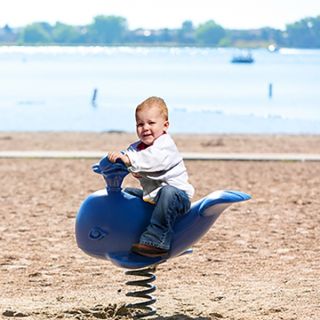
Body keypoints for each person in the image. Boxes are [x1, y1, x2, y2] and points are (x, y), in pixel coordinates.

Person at [108, 96, 194, 257]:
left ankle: (157, 241)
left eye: (151, 123)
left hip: (177, 198)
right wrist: (116, 161)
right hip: (153, 196)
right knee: (127, 194)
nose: (145, 128)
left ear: (165, 125)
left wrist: (130, 161)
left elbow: (153, 161)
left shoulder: (164, 145)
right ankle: (128, 232)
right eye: (140, 124)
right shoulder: (136, 148)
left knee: (168, 191)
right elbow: (129, 156)